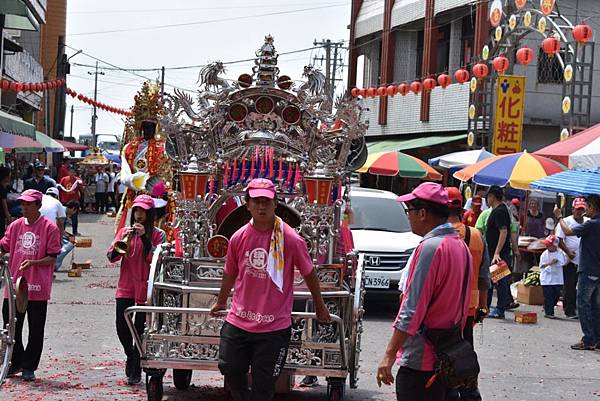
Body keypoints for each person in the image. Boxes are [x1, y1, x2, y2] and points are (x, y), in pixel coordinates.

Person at [210, 178, 330, 401]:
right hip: (239, 321)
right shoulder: (238, 237)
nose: (261, 206)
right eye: (256, 201)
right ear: (247, 204)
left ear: (276, 204)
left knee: (264, 387)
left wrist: (320, 306)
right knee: (230, 369)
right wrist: (221, 301)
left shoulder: (291, 239)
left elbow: (309, 273)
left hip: (273, 328)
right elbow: (229, 273)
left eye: (266, 201)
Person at [376, 183, 472, 401]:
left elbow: (411, 308)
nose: (407, 217)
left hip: (423, 362)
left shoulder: (431, 248)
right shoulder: (460, 245)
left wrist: (389, 355)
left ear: (422, 213)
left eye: (409, 211)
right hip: (448, 356)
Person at [1, 189, 62, 381]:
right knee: (11, 326)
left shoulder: (49, 228)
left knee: (36, 329)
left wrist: (34, 263)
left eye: (28, 204)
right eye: (23, 204)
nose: (24, 207)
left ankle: (29, 366)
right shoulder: (15, 226)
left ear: (38, 206)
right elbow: (4, 245)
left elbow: (52, 257)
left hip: (37, 287)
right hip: (14, 285)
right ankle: (15, 361)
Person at [107, 194, 166, 384]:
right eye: (137, 211)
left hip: (145, 287)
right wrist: (123, 240)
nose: (139, 215)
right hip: (126, 285)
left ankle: (136, 363)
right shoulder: (125, 231)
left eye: (143, 212)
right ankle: (130, 354)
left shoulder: (159, 234)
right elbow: (111, 257)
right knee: (121, 325)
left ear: (150, 215)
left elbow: (156, 260)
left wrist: (144, 239)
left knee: (140, 328)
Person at [445, 187, 490, 401]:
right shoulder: (476, 235)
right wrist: (483, 306)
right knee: (466, 349)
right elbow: (484, 277)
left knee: (443, 350)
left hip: (444, 308)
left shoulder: (438, 235)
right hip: (469, 307)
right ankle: (470, 391)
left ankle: (449, 390)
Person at [554, 195, 600, 350]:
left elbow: (566, 231)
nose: (585, 210)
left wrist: (559, 216)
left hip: (588, 269)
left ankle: (588, 339)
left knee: (583, 305)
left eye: (587, 207)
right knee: (595, 306)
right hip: (596, 270)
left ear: (593, 207)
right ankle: (596, 338)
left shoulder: (592, 224)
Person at [485, 185, 517, 319]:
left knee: (501, 282)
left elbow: (503, 232)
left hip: (498, 254)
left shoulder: (500, 211)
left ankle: (500, 309)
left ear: (492, 197)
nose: (487, 199)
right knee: (493, 281)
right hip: (493, 253)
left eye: (488, 196)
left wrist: (497, 253)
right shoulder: (499, 210)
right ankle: (486, 308)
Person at [556, 198, 588, 319]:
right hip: (570, 259)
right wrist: (568, 252)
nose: (580, 212)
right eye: (578, 209)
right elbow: (559, 239)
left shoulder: (588, 221)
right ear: (573, 209)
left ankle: (580, 308)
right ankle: (569, 310)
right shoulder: (566, 222)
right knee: (570, 285)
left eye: (582, 209)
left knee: (582, 287)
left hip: (585, 260)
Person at [539, 235, 568, 319]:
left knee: (556, 295)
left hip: (557, 279)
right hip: (547, 279)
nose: (547, 246)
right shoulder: (544, 254)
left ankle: (549, 306)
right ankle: (549, 312)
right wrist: (550, 263)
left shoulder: (559, 253)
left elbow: (562, 262)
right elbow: (542, 265)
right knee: (548, 296)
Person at [58, 166, 84, 236]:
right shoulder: (64, 179)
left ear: (75, 173)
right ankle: (62, 231)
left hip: (74, 201)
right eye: (70, 172)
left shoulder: (77, 180)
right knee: (63, 217)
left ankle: (75, 231)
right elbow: (60, 188)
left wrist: (81, 185)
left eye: (73, 172)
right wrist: (59, 199)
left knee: (74, 217)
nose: (71, 173)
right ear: (68, 172)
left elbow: (81, 190)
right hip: (65, 201)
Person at [0, 166, 13, 237]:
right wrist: (7, 214)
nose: (10, 177)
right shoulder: (2, 187)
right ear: (5, 176)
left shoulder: (3, 186)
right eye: (9, 175)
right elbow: (3, 201)